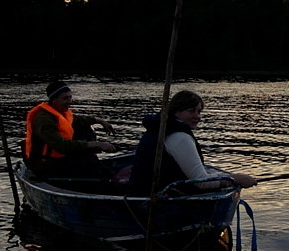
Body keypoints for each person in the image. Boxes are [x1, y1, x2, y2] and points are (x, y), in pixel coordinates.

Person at [128, 90, 257, 195]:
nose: (197, 116)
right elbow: (201, 182)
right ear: (176, 112)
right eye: (191, 111)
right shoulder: (179, 137)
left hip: (141, 193)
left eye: (199, 111)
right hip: (157, 202)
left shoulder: (159, 128)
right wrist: (234, 179)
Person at [23, 80, 116, 182]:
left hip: (59, 158)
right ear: (54, 100)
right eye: (65, 98)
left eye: (70, 97)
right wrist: (97, 144)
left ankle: (106, 176)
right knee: (88, 161)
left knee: (85, 129)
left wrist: (99, 121)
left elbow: (78, 120)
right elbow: (62, 146)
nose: (69, 101)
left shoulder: (60, 111)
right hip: (44, 164)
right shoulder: (44, 119)